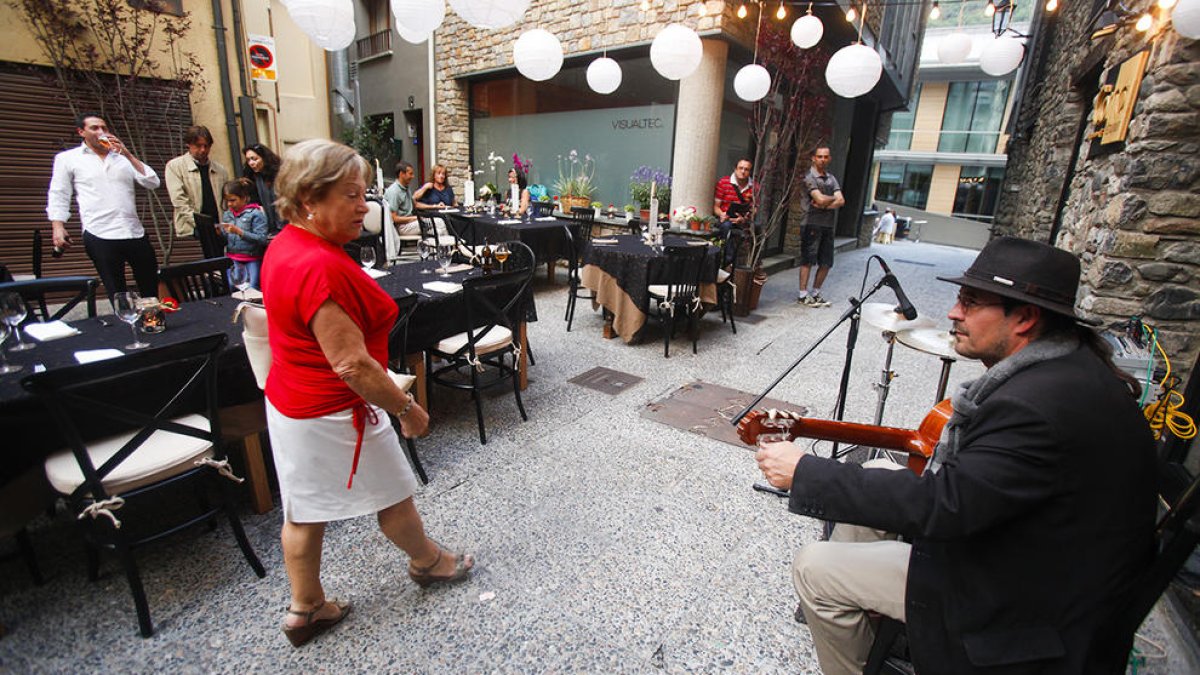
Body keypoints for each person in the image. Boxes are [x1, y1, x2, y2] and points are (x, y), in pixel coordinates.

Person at [755, 236, 1156, 675]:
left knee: (816, 568)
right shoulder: (1069, 371)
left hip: (1022, 610)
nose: (953, 311)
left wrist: (806, 472)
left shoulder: (1036, 407)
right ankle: (866, 618)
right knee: (873, 467)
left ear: (1024, 317)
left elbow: (946, 505)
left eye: (971, 301)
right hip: (1032, 557)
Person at [263, 139, 473, 647]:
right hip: (337, 409)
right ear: (310, 199)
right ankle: (430, 562)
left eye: (365, 195)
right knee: (394, 496)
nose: (365, 206)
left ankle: (306, 608)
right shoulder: (320, 266)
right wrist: (405, 407)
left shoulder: (284, 245)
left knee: (303, 510)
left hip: (291, 404)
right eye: (352, 196)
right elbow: (351, 364)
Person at [46, 112, 160, 299]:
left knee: (149, 284)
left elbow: (152, 182)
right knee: (117, 291)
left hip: (133, 231)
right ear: (81, 132)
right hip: (100, 232)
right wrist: (58, 227)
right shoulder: (68, 158)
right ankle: (125, 325)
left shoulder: (122, 158)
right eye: (95, 128)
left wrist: (128, 154)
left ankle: (154, 323)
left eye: (104, 128)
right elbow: (59, 193)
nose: (101, 131)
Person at [165, 125, 230, 259]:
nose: (203, 150)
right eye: (198, 146)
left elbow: (226, 200)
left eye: (206, 146)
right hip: (192, 227)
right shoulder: (175, 166)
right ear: (189, 145)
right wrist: (200, 224)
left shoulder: (220, 170)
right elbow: (178, 200)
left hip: (219, 225)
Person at [797, 147, 844, 308]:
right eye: (819, 156)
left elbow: (841, 200)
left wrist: (825, 204)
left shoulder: (831, 178)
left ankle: (815, 293)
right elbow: (820, 198)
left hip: (828, 225)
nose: (822, 159)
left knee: (826, 262)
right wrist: (830, 200)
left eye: (825, 157)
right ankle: (803, 295)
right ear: (813, 158)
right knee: (807, 260)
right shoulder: (809, 177)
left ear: (829, 158)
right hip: (811, 222)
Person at [218, 178, 269, 290]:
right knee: (233, 287)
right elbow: (227, 238)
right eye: (227, 201)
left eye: (233, 200)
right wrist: (220, 233)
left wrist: (240, 232)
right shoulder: (227, 215)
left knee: (252, 288)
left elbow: (262, 239)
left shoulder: (255, 214)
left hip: (251, 258)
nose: (230, 204)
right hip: (233, 258)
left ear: (244, 198)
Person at [241, 143, 283, 234]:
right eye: (248, 160)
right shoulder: (253, 177)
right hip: (267, 227)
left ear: (264, 158)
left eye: (255, 159)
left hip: (284, 224)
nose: (251, 163)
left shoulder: (279, 175)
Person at [382, 160, 419, 236]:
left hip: (410, 223)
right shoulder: (394, 192)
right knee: (436, 225)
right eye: (410, 174)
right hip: (402, 227)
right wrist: (414, 218)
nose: (413, 176)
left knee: (439, 224)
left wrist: (435, 206)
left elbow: (416, 204)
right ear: (402, 174)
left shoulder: (406, 188)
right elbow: (394, 218)